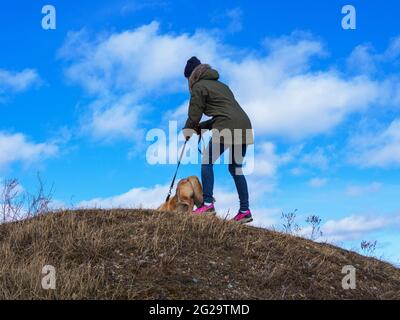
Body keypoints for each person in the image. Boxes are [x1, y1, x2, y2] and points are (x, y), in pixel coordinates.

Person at [183, 56, 254, 224]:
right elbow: (224, 113)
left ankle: (207, 205)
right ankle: (245, 210)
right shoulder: (222, 86)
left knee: (207, 162)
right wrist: (200, 128)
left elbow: (194, 115)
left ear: (191, 76)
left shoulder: (199, 87)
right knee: (236, 168)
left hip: (228, 125)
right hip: (244, 124)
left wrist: (188, 130)